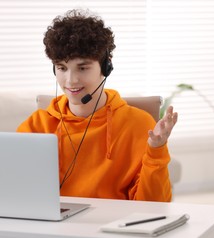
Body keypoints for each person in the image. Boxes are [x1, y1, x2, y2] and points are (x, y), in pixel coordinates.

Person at [17, 9, 178, 202]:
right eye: (61, 68)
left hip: (111, 227)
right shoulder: (36, 126)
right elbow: (18, 194)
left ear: (106, 67)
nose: (71, 80)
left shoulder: (139, 125)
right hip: (55, 227)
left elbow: (154, 206)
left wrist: (156, 150)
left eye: (83, 68)